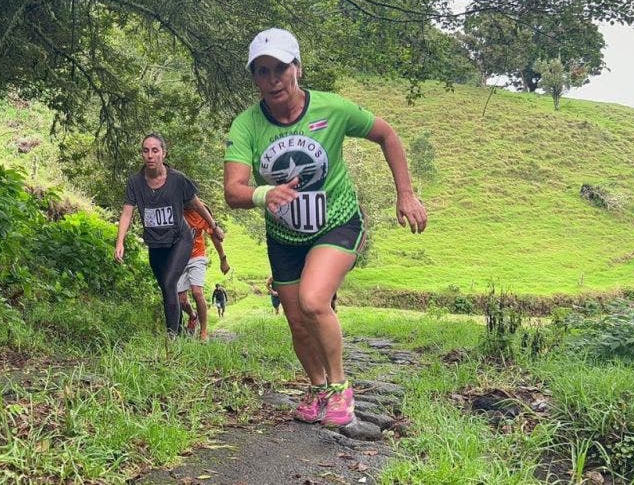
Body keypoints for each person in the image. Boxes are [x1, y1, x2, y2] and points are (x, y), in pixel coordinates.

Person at [223, 28, 427, 427]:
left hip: (337, 223)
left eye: (280, 68)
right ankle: (316, 387)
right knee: (297, 319)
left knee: (315, 301)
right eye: (261, 72)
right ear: (254, 78)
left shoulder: (331, 109)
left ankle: (340, 388)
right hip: (284, 236)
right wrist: (266, 195)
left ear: (297, 68)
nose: (272, 80)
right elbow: (233, 190)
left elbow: (386, 133)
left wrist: (406, 194)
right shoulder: (246, 125)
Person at [116, 133, 224, 337]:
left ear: (163, 153)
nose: (150, 155)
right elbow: (127, 212)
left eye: (155, 150)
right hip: (156, 245)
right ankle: (180, 329)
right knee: (167, 289)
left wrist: (214, 226)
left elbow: (197, 205)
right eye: (145, 150)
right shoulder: (135, 183)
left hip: (180, 240)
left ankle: (171, 339)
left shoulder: (177, 180)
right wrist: (120, 241)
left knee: (169, 283)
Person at [177, 203, 230, 341]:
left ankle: (204, 332)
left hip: (197, 256)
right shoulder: (173, 206)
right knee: (181, 301)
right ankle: (193, 316)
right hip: (179, 257)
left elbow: (214, 236)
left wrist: (223, 259)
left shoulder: (201, 210)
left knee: (197, 292)